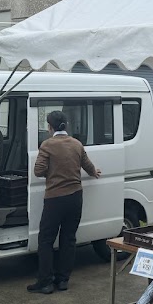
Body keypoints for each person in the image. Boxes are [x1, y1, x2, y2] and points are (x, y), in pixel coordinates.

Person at [27, 110, 100, 294]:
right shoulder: (76, 144)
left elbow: (38, 170)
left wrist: (51, 171)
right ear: (65, 126)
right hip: (75, 197)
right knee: (68, 239)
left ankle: (45, 282)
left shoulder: (47, 145)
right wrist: (94, 173)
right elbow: (87, 164)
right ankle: (63, 280)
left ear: (49, 127)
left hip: (55, 199)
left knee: (46, 240)